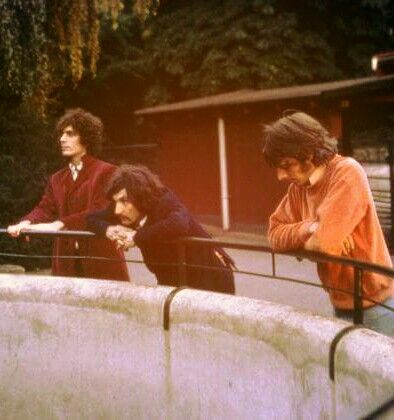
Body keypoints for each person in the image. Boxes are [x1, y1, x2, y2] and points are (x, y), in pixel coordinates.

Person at [263, 111, 394, 336]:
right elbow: (273, 234)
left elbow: (324, 244)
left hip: (376, 305)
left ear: (309, 153)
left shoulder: (346, 173)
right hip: (340, 302)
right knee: (345, 371)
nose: (281, 176)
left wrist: (309, 241)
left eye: (287, 164)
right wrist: (310, 228)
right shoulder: (298, 189)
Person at [7, 108, 129, 281]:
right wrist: (26, 222)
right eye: (62, 134)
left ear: (86, 139)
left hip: (100, 259)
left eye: (70, 134)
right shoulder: (57, 178)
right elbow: (45, 208)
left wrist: (59, 224)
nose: (62, 139)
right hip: (66, 261)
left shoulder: (107, 172)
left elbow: (98, 210)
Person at [86, 164, 235, 294]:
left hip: (211, 275)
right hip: (173, 278)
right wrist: (110, 230)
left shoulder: (164, 200)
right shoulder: (123, 209)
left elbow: (179, 224)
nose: (117, 210)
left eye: (124, 201)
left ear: (139, 196)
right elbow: (91, 219)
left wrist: (136, 238)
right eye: (116, 201)